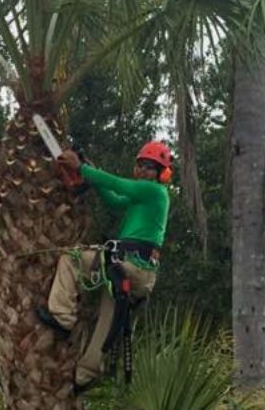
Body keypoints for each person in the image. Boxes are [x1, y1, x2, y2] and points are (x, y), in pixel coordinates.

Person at [37, 140, 173, 391]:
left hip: (133, 266)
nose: (144, 171)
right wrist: (89, 173)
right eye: (141, 166)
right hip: (127, 270)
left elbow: (117, 184)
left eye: (150, 168)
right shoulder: (139, 200)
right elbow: (113, 198)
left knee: (71, 259)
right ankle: (85, 375)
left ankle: (63, 317)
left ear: (161, 174)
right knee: (107, 317)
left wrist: (83, 168)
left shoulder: (155, 192)